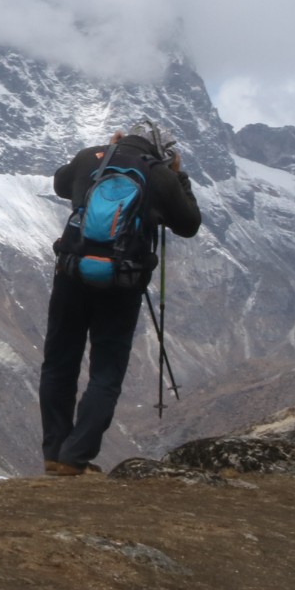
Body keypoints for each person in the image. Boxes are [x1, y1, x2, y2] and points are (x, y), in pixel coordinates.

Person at [40, 119, 202, 475]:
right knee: (106, 372)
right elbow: (189, 224)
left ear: (121, 137)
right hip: (122, 283)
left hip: (72, 272)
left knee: (59, 363)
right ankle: (75, 457)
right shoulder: (160, 176)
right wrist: (180, 177)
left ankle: (53, 453)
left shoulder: (89, 158)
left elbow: (60, 184)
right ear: (162, 151)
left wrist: (102, 154)